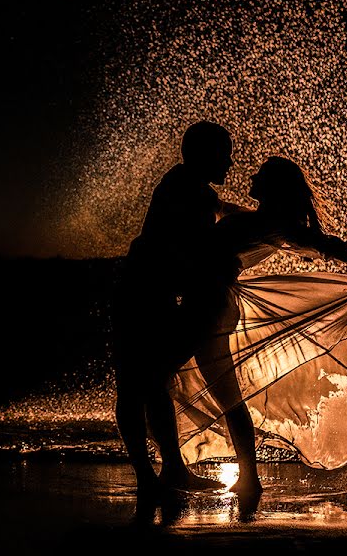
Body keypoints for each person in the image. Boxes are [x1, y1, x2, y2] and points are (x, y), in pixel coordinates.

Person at [170, 156, 347, 497]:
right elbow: (225, 211)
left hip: (210, 306)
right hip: (213, 303)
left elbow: (325, 244)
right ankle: (247, 477)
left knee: (160, 379)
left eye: (261, 174)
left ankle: (187, 471)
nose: (252, 175)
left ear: (273, 186)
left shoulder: (274, 223)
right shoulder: (259, 220)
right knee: (226, 395)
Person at [111, 121, 239, 493]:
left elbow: (222, 210)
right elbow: (175, 256)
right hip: (139, 297)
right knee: (139, 385)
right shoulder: (185, 191)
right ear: (205, 155)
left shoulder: (189, 185)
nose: (231, 162)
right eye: (225, 154)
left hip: (150, 295)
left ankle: (167, 471)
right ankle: (151, 476)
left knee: (150, 383)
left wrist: (266, 220)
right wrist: (214, 270)